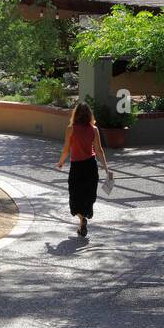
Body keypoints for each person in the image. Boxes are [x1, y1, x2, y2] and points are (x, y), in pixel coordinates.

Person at [55, 101, 111, 238]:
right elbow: (99, 151)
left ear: (76, 114)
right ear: (89, 115)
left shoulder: (71, 129)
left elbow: (66, 149)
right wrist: (106, 169)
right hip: (91, 166)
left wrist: (60, 163)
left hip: (77, 167)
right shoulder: (94, 129)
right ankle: (87, 213)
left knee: (75, 196)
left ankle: (82, 219)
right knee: (88, 194)